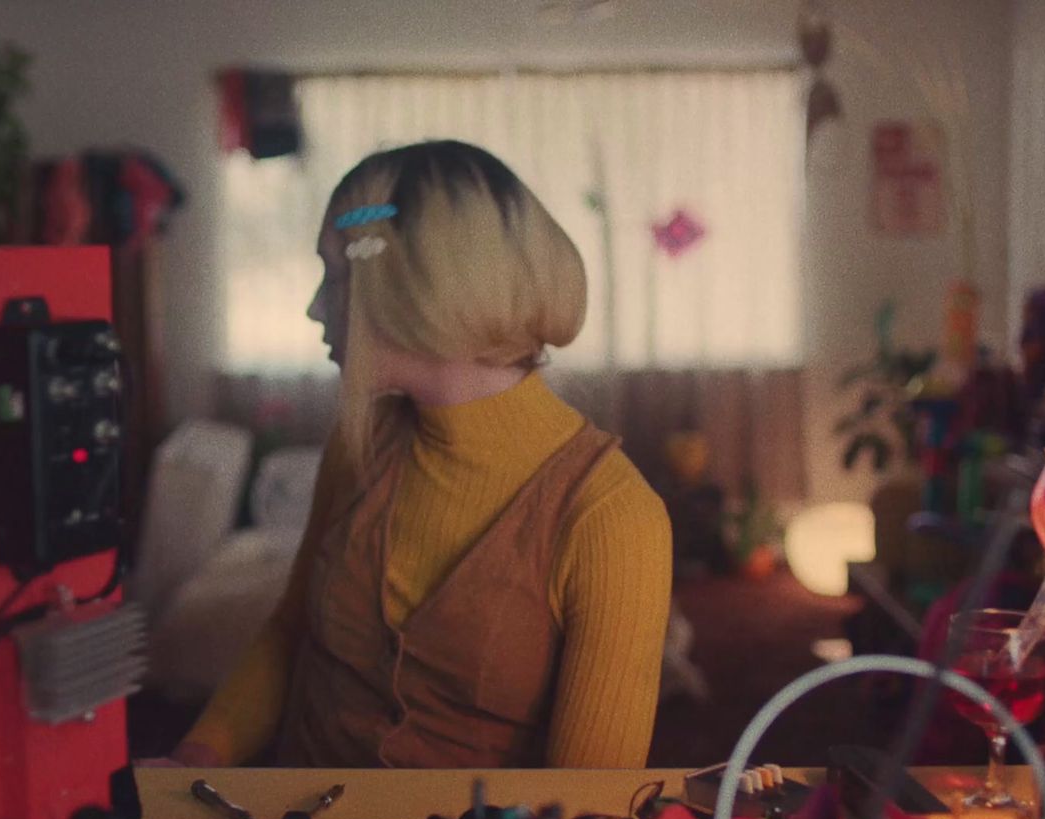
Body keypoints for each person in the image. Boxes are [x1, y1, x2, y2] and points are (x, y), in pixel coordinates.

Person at [168, 140, 671, 768]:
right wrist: (197, 758)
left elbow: (589, 809)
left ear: (420, 291)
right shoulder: (361, 443)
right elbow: (289, 631)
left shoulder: (612, 519)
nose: (315, 308)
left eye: (338, 275)